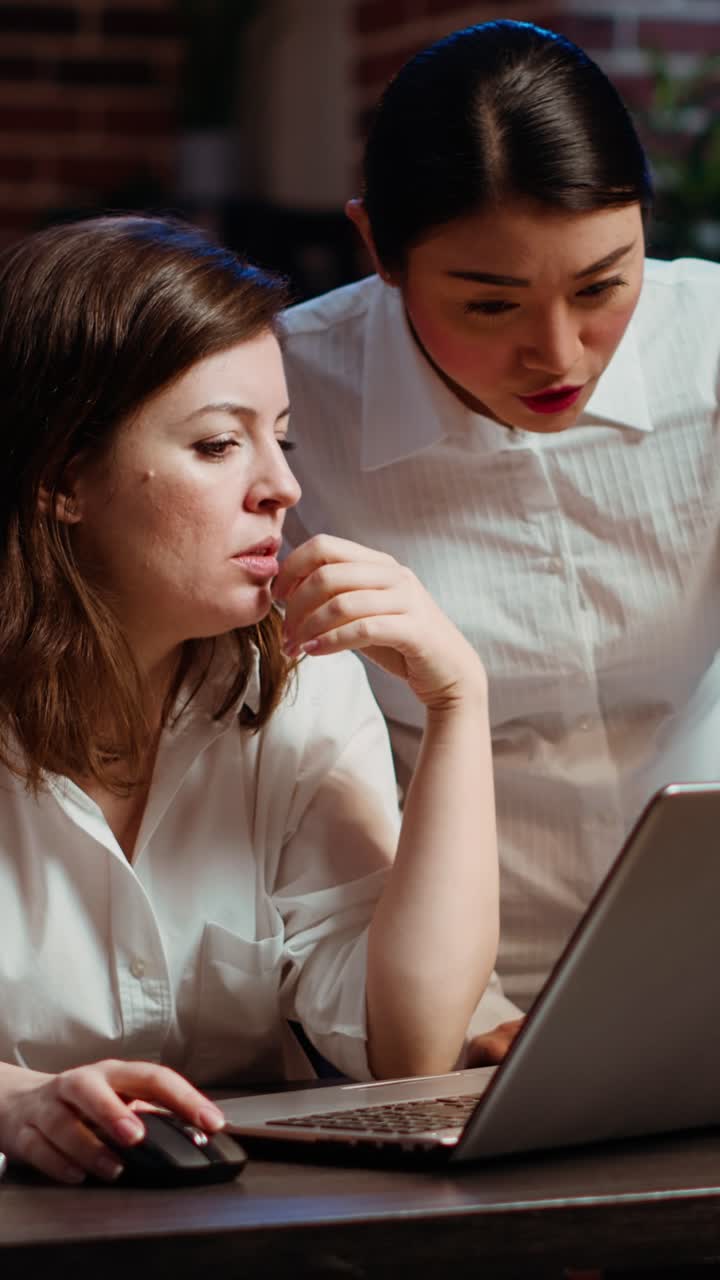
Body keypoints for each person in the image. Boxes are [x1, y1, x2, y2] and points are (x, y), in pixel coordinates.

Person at [0, 214, 500, 1184]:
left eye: (282, 438)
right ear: (64, 476)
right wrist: (17, 1101)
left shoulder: (299, 679)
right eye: (220, 443)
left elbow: (413, 1045)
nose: (281, 486)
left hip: (242, 1224)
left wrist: (458, 705)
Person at [281, 19, 720, 1018]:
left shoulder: (713, 352)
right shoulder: (283, 410)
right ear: (377, 251)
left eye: (603, 284)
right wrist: (455, 1016)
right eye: (490, 305)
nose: (559, 354)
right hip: (441, 997)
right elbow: (282, 780)